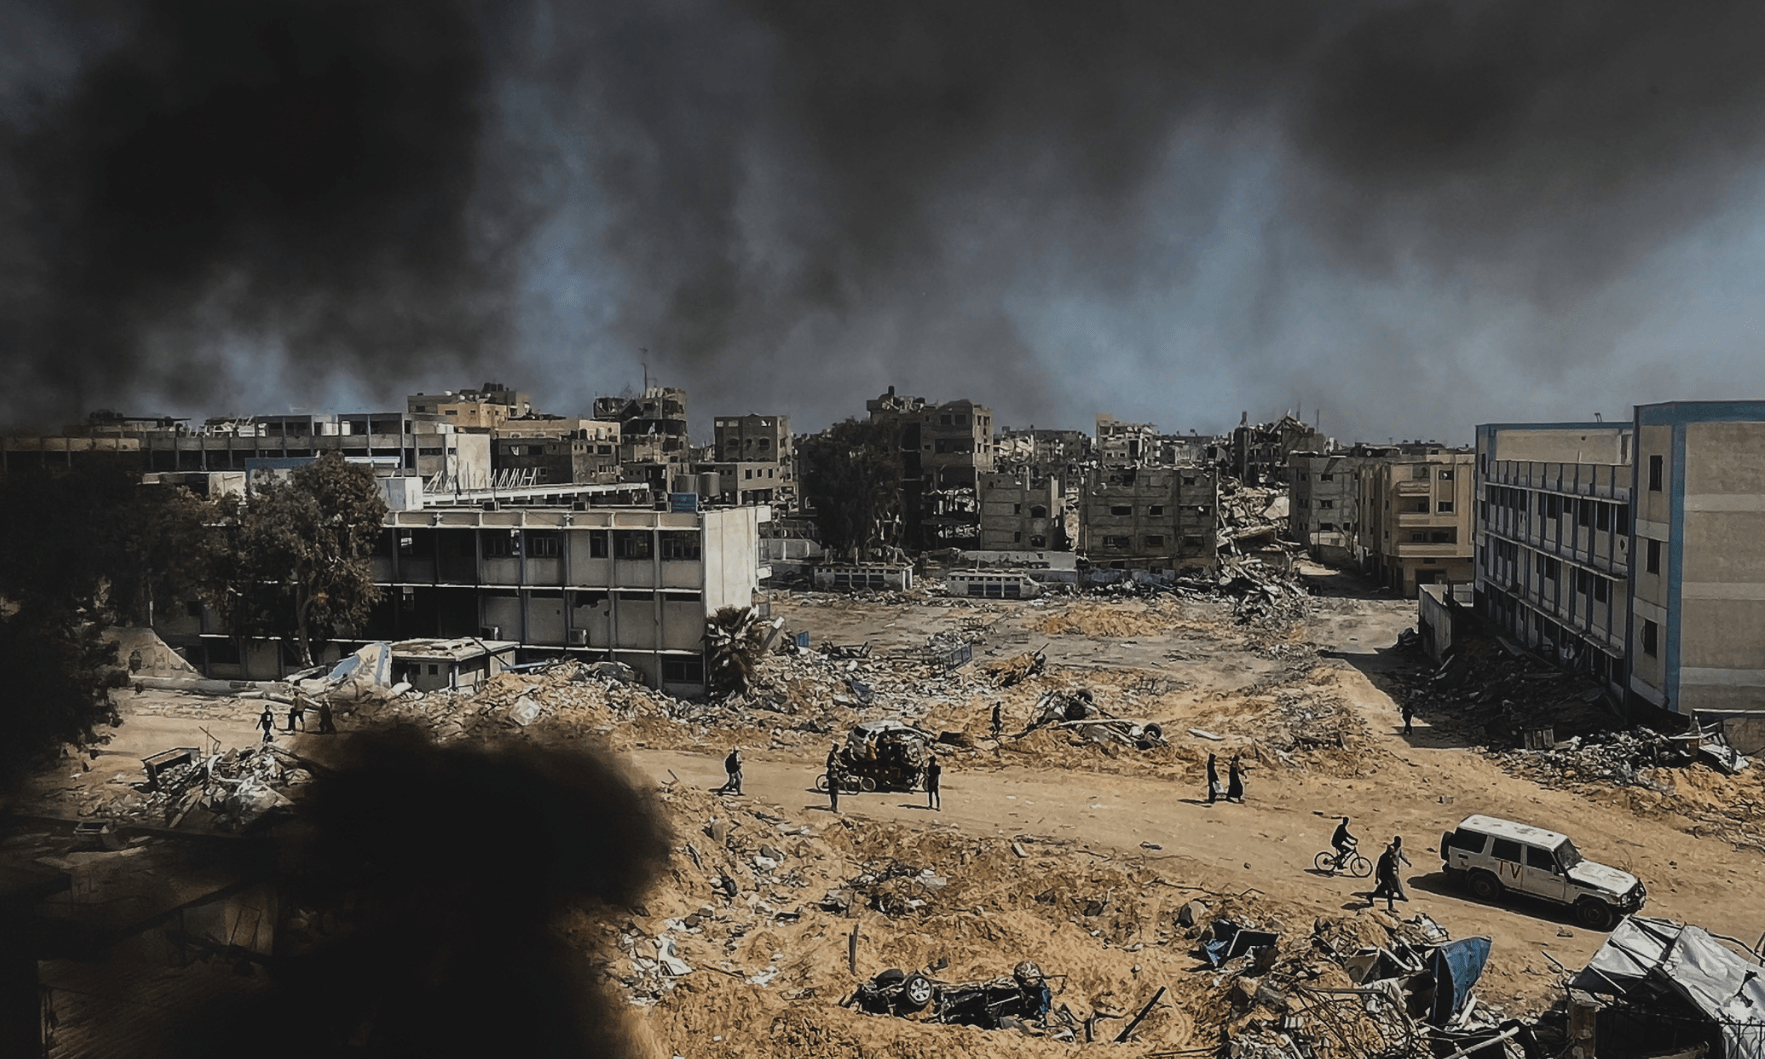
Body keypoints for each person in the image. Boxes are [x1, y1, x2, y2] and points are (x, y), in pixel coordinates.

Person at [1371, 836, 1413, 912]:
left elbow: (1401, 857)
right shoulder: (1384, 857)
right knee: (1391, 889)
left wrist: (1407, 862)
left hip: (1390, 873)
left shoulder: (1394, 853)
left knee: (1381, 889)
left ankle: (1370, 896)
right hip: (1385, 876)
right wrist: (1376, 878)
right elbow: (1378, 868)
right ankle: (1393, 904)